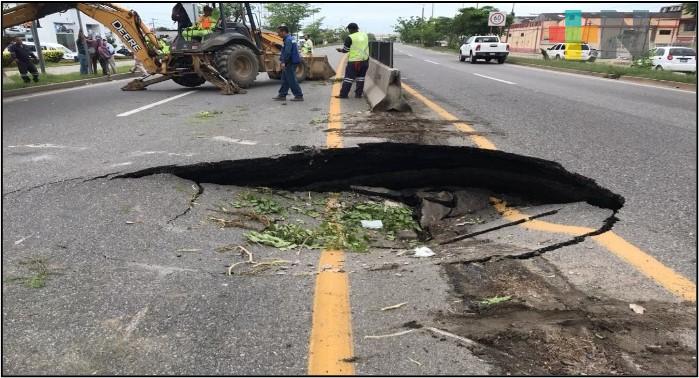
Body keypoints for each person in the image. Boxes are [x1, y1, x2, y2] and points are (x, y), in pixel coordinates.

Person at [336, 23, 370, 99]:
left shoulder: (350, 37)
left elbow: (345, 50)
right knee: (361, 78)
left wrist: (340, 50)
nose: (349, 31)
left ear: (351, 29)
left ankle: (344, 95)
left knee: (348, 78)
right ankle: (358, 95)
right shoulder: (364, 35)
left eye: (349, 29)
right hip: (365, 60)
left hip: (354, 62)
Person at [273, 25, 303, 101]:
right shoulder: (289, 39)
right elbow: (285, 48)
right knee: (285, 79)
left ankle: (299, 95)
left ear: (284, 32)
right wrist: (276, 45)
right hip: (291, 61)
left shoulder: (288, 40)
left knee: (291, 79)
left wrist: (283, 62)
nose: (278, 34)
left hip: (290, 62)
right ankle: (282, 95)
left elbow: (287, 52)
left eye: (279, 32)